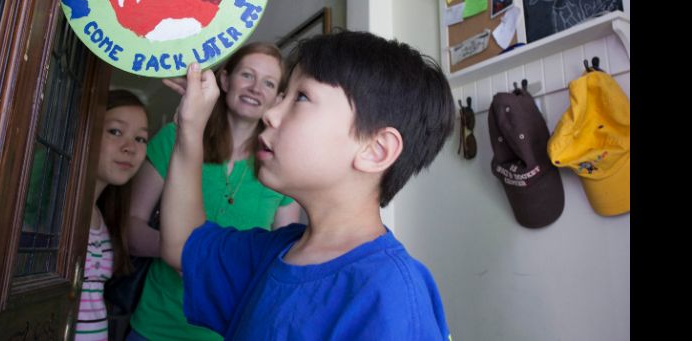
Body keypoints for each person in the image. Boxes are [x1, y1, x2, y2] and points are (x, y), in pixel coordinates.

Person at [161, 30, 455, 340]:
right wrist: (191, 128)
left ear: (375, 150)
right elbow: (182, 245)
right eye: (284, 95)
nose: (270, 114)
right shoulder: (273, 251)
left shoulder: (390, 295)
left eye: (301, 97)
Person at [127, 42, 302, 341]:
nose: (256, 88)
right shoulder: (173, 137)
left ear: (278, 98)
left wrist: (208, 256)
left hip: (229, 332)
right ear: (224, 80)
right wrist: (191, 253)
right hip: (155, 326)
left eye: (269, 83)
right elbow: (130, 229)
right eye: (247, 75)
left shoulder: (282, 166)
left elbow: (282, 261)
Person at [75, 90, 149, 341]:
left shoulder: (101, 214)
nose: (129, 147)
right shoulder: (56, 211)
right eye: (115, 132)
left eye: (140, 138)